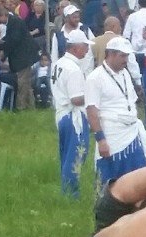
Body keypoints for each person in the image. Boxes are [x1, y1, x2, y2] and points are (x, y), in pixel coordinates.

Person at [86, 37, 146, 193]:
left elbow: (131, 102)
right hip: (112, 133)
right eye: (123, 56)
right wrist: (101, 140)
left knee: (140, 178)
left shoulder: (125, 74)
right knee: (111, 180)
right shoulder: (95, 78)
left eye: (127, 56)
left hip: (132, 131)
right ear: (111, 54)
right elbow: (91, 111)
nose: (126, 60)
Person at [53, 29, 93, 199]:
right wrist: (94, 96)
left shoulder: (59, 63)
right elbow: (76, 99)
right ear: (76, 48)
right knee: (76, 155)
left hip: (61, 115)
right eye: (85, 46)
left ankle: (67, 192)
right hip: (73, 117)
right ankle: (71, 194)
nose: (87, 50)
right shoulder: (73, 69)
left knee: (66, 155)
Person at [0, 0, 40, 111]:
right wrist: (0, 45)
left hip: (24, 58)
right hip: (23, 58)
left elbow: (14, 40)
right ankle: (31, 108)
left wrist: (0, 49)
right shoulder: (13, 22)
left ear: (3, 16)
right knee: (26, 85)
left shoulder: (15, 22)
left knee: (22, 84)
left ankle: (21, 108)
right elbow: (10, 39)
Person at [52, 4, 96, 71]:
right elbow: (54, 57)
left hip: (86, 72)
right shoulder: (58, 36)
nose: (77, 19)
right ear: (66, 18)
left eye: (78, 17)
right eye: (74, 17)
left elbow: (93, 49)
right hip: (67, 72)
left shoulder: (85, 30)